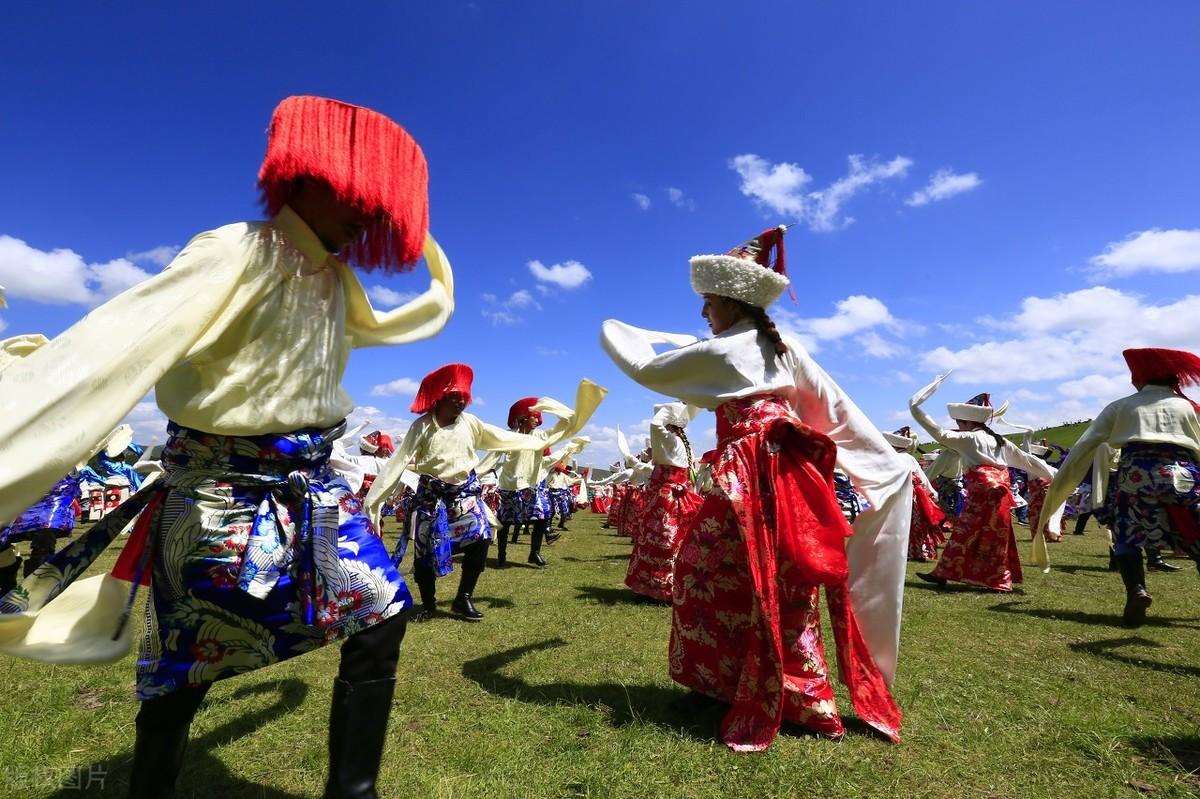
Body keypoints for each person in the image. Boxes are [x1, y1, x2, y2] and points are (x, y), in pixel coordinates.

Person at [0, 96, 455, 799]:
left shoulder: (336, 281)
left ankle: (353, 791)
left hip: (313, 494)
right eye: (363, 193)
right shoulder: (235, 250)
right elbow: (113, 345)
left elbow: (394, 321)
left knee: (384, 614)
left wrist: (431, 264)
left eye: (382, 201)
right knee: (185, 671)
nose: (371, 214)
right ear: (313, 174)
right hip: (220, 497)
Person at [600, 225, 906, 751]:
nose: (703, 315)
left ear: (728, 302)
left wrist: (613, 328)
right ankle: (782, 690)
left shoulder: (726, 351)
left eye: (708, 303)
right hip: (787, 475)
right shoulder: (786, 348)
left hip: (749, 473)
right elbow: (836, 411)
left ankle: (736, 684)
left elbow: (645, 369)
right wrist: (882, 463)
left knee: (701, 570)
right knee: (780, 577)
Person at [364, 364, 601, 619]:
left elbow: (503, 438)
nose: (460, 403)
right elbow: (397, 462)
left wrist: (545, 439)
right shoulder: (422, 426)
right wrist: (373, 504)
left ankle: (463, 598)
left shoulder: (470, 423)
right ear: (439, 397)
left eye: (463, 397)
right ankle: (430, 604)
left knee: (481, 538)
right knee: (426, 555)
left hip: (465, 495)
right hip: (431, 499)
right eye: (454, 397)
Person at [1036, 348, 1200, 626]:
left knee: (1127, 535)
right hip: (1184, 476)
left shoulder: (1121, 406)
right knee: (1195, 533)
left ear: (1140, 378)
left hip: (1136, 475)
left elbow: (1084, 446)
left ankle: (1137, 590)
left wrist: (1062, 481)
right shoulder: (1187, 407)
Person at [909, 379, 1054, 592]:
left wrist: (916, 410)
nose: (957, 426)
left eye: (959, 422)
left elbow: (939, 433)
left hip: (982, 493)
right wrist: (1056, 475)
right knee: (995, 535)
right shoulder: (1000, 442)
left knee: (966, 532)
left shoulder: (969, 438)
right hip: (1000, 493)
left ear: (967, 422)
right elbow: (1028, 461)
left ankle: (959, 575)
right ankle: (991, 578)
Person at [624, 402, 703, 602]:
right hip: (676, 497)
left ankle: (657, 586)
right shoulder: (681, 442)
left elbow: (655, 424)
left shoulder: (671, 439)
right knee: (673, 540)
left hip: (669, 497)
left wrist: (666, 411)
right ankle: (669, 586)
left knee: (661, 538)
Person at [881, 426, 946, 562]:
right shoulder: (910, 458)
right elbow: (922, 478)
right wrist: (931, 492)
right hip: (915, 496)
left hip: (901, 495)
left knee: (899, 522)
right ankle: (919, 550)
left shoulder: (893, 459)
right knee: (915, 524)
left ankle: (901, 550)